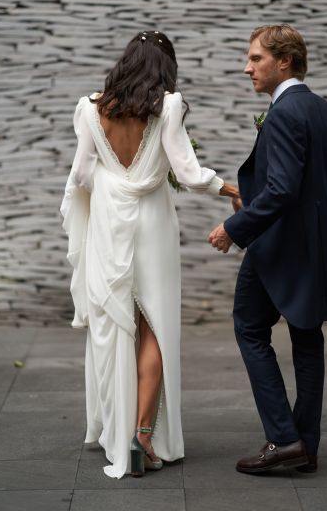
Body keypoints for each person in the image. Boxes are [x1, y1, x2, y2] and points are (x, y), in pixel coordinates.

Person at [60, 30, 238, 479]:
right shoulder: (170, 106)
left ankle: (117, 435)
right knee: (155, 326)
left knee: (115, 323)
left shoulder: (90, 109)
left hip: (107, 221)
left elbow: (81, 174)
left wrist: (109, 181)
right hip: (153, 224)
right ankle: (143, 433)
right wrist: (228, 187)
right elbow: (187, 171)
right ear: (165, 67)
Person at [208, 24, 327, 474]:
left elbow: (284, 190)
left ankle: (284, 438)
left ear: (284, 60)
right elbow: (320, 186)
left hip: (279, 247)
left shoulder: (286, 112)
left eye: (255, 59)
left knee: (249, 327)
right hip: (316, 245)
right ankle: (304, 447)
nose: (246, 67)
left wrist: (236, 226)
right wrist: (252, 199)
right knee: (307, 339)